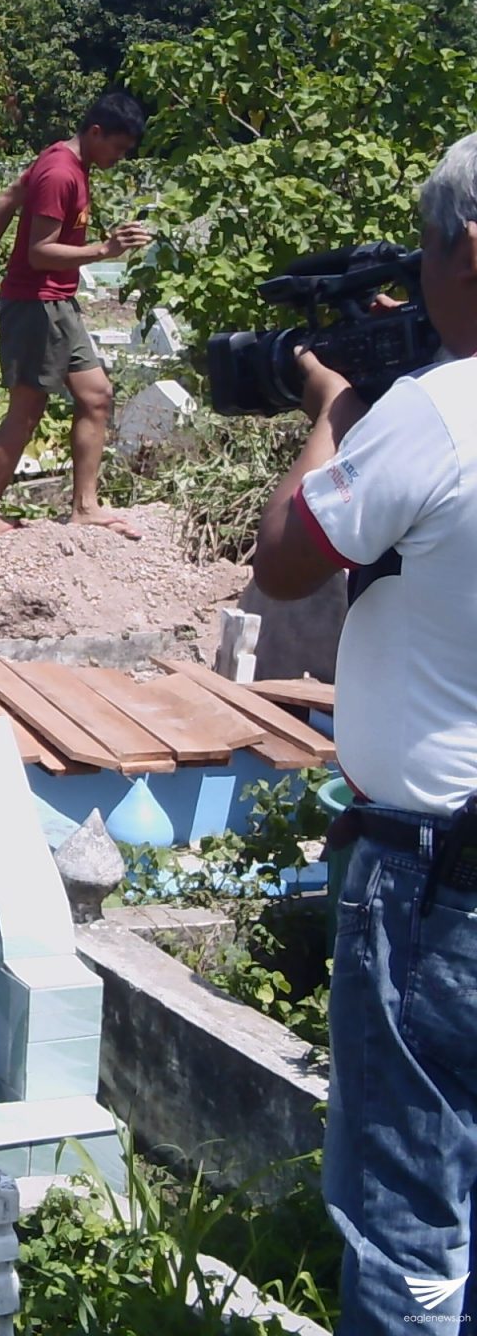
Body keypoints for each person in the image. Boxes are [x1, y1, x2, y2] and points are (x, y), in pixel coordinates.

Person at [250, 133, 477, 1333]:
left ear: (466, 249)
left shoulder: (437, 416)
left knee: (407, 1223)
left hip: (441, 884)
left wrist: (334, 411)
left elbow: (286, 561)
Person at [0, 93, 153, 538]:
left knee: (97, 396)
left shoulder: (64, 160)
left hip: (58, 304)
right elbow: (40, 253)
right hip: (36, 304)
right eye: (118, 148)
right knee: (26, 410)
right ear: (96, 132)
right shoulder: (61, 173)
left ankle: (85, 506)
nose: (120, 158)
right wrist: (105, 250)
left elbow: (5, 200)